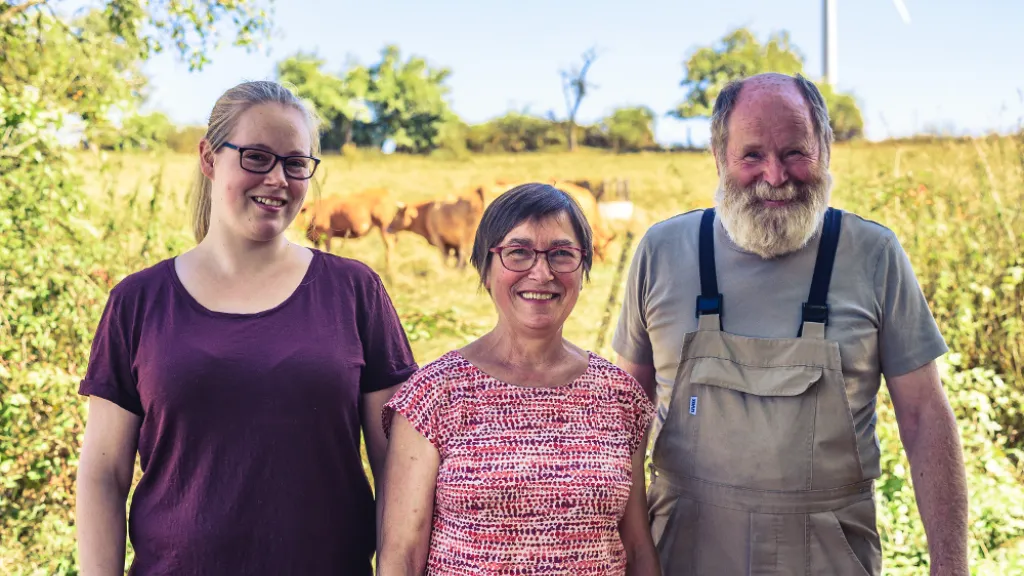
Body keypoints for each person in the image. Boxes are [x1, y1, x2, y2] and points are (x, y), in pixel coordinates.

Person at [612, 72, 969, 576]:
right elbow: (623, 419)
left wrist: (950, 568)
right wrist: (627, 556)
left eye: (796, 152)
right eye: (752, 154)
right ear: (718, 156)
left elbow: (924, 417)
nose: (776, 177)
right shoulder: (663, 251)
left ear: (825, 148)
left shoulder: (873, 254)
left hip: (830, 557)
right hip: (682, 553)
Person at [75, 80, 417, 575]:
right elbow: (104, 473)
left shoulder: (355, 291)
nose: (279, 179)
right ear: (209, 159)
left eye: (296, 163)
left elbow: (399, 470)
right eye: (257, 157)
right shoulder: (138, 301)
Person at [376, 183, 661, 575]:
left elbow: (637, 546)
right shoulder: (434, 394)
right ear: (485, 268)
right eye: (518, 252)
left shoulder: (620, 396)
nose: (541, 273)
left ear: (583, 268)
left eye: (561, 254)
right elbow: (402, 557)